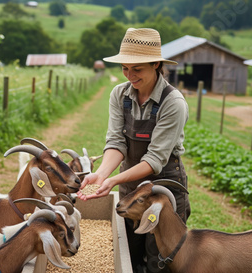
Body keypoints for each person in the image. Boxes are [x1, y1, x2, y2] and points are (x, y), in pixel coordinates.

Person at [77, 28, 191, 273]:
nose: (129, 75)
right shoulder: (120, 94)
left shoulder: (173, 103)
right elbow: (117, 143)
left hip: (163, 189)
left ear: (156, 64)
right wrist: (102, 175)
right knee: (130, 253)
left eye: (137, 69)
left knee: (158, 260)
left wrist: (114, 178)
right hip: (131, 190)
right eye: (124, 68)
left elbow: (154, 160)